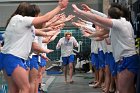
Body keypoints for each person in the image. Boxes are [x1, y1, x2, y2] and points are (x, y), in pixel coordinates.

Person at [1, 1, 68, 93]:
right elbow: (45, 18)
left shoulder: (21, 23)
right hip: (13, 57)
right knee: (25, 88)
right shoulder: (20, 19)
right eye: (36, 15)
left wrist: (49, 32)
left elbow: (39, 30)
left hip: (9, 57)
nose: (37, 17)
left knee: (14, 89)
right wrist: (59, 7)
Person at [72, 3, 139, 93]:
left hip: (127, 59)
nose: (106, 17)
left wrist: (80, 11)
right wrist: (85, 14)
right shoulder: (120, 23)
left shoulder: (119, 23)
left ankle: (109, 87)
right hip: (125, 58)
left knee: (123, 89)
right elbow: (97, 22)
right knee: (127, 88)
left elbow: (98, 19)